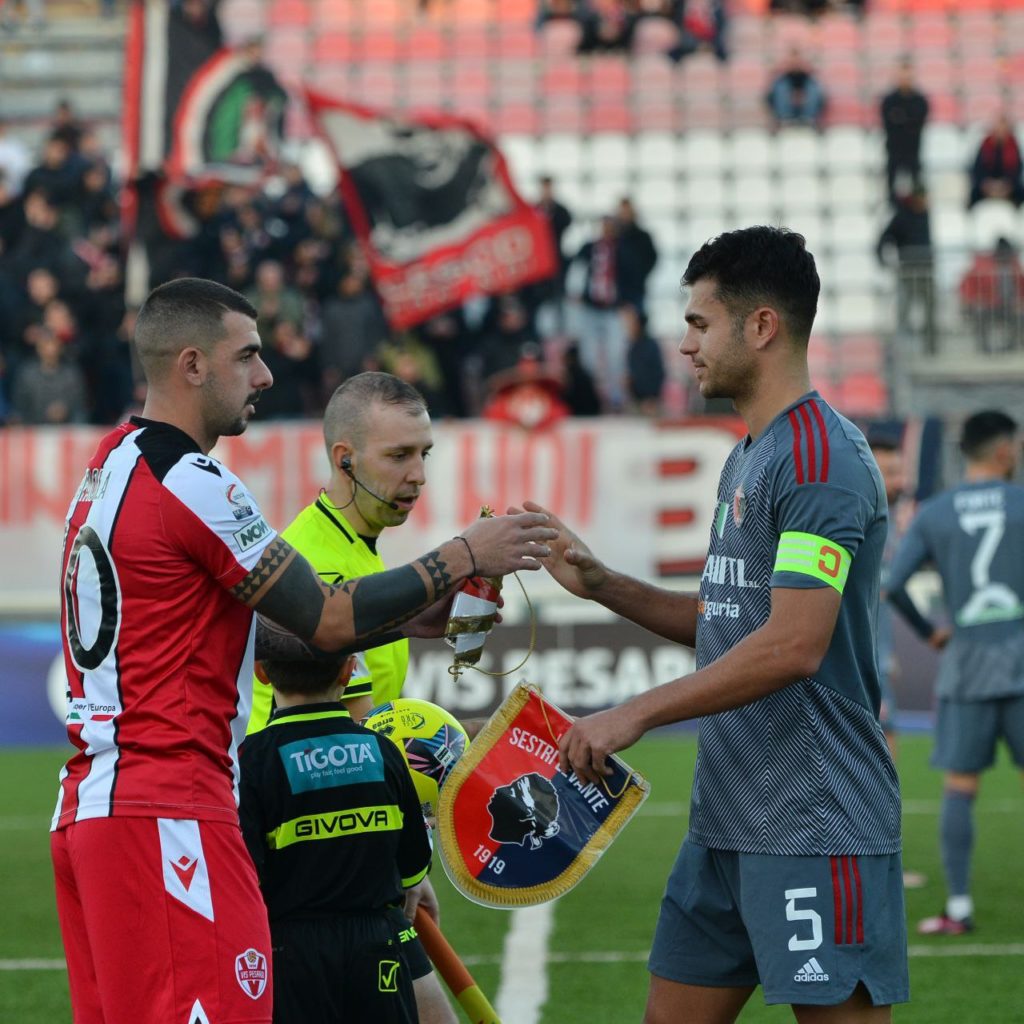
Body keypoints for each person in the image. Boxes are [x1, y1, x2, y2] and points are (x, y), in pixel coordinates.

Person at [51, 277, 556, 1024]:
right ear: (192, 365)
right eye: (248, 356)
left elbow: (269, 633)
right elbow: (323, 625)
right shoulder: (193, 479)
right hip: (172, 809)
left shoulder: (110, 464)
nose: (266, 375)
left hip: (97, 807)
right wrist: (463, 552)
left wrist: (412, 620)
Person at [523, 226, 907, 1021]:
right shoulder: (750, 455)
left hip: (814, 820)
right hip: (726, 822)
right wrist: (602, 585)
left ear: (760, 326)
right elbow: (731, 620)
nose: (684, 344)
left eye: (699, 324)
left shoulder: (819, 459)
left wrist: (635, 711)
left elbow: (794, 645)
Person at [247, 370, 460, 1024]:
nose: (418, 474)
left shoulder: (359, 557)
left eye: (424, 453)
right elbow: (354, 741)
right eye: (399, 456)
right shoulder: (326, 570)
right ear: (345, 459)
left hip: (336, 858)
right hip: (314, 873)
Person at [886, 410, 1024, 936]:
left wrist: (931, 633)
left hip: (967, 666)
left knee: (960, 788)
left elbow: (894, 584)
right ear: (1005, 450)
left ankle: (960, 908)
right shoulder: (1020, 502)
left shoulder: (935, 513)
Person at [239, 655, 432, 1024]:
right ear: (350, 669)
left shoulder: (252, 759)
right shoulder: (384, 750)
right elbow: (412, 868)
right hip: (376, 942)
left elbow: (246, 872)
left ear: (261, 672)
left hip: (290, 949)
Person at [869, 431, 927, 892]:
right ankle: (878, 868)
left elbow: (888, 593)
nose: (900, 479)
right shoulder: (855, 516)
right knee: (879, 765)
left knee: (882, 764)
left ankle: (874, 864)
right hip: (859, 669)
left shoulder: (889, 523)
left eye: (899, 469)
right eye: (889, 470)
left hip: (876, 664)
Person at [876, 186, 936, 353]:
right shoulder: (902, 217)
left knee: (930, 310)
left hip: (926, 271)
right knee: (904, 311)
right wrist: (884, 261)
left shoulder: (924, 214)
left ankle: (930, 349)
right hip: (908, 272)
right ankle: (904, 350)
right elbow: (884, 238)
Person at [880, 60, 929, 204]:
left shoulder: (920, 100)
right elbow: (889, 122)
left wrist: (901, 119)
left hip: (913, 149)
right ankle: (892, 206)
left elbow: (917, 121)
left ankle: (917, 207)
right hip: (894, 149)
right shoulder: (889, 100)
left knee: (916, 181)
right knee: (891, 181)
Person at [967, 114, 1024, 210]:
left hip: (1007, 186)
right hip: (987, 185)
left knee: (1020, 192)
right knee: (974, 193)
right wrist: (987, 185)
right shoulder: (985, 145)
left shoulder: (1013, 146)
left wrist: (1006, 187)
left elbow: (1017, 170)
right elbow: (977, 169)